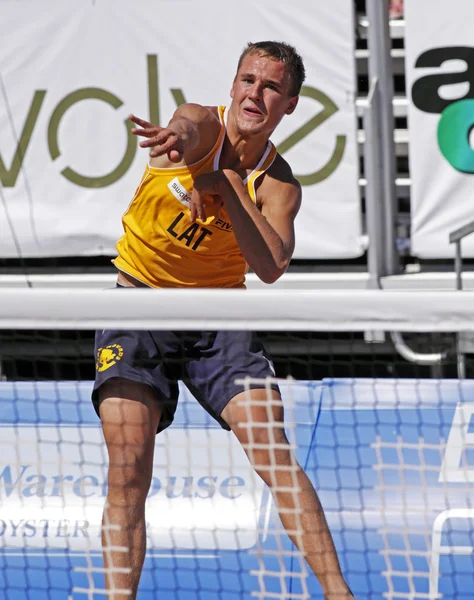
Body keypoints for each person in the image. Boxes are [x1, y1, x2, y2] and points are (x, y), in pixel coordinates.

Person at [92, 41, 354, 600]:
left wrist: (229, 187)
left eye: (271, 87)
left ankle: (341, 596)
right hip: (139, 304)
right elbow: (185, 130)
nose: (255, 94)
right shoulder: (197, 126)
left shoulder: (278, 184)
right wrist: (180, 145)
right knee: (129, 466)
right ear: (233, 86)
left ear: (289, 104)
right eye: (247, 81)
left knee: (274, 453)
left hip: (218, 317)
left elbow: (271, 266)